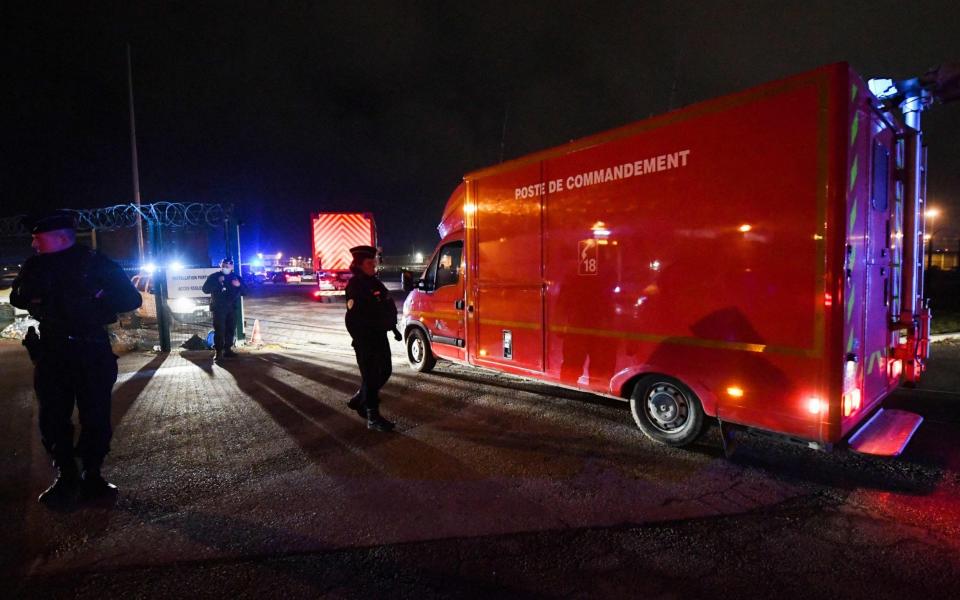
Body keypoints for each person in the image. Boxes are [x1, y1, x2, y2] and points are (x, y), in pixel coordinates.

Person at [10, 210, 142, 505]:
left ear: (60, 238)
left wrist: (96, 293)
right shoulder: (35, 266)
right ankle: (66, 474)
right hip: (53, 351)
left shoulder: (95, 263)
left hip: (90, 349)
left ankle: (92, 476)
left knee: (95, 415)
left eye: (37, 238)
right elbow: (17, 297)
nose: (33, 244)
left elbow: (131, 300)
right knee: (52, 417)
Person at [344, 245, 402, 432]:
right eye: (370, 262)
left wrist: (393, 327)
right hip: (366, 339)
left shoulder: (374, 282)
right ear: (359, 264)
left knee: (385, 371)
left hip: (380, 336)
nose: (373, 265)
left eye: (374, 262)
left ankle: (360, 399)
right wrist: (360, 338)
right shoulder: (355, 285)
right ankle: (372, 417)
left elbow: (386, 303)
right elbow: (352, 318)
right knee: (370, 376)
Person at [202, 258, 246, 361]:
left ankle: (228, 350)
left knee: (230, 329)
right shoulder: (214, 277)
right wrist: (218, 282)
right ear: (220, 265)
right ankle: (218, 351)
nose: (226, 267)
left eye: (228, 266)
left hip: (232, 309)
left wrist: (239, 285)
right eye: (224, 265)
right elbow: (205, 289)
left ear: (232, 267)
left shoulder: (236, 278)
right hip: (219, 308)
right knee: (220, 330)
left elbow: (246, 291)